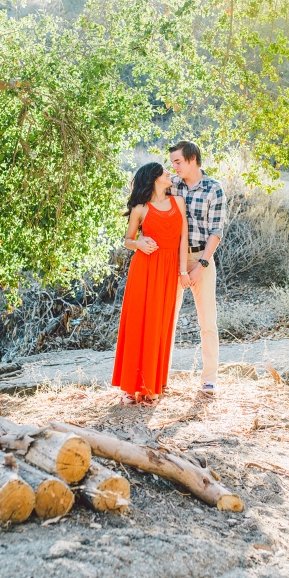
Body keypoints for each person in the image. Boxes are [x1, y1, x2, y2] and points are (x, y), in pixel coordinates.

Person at [111, 162, 190, 405]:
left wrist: (183, 270)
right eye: (165, 172)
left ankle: (151, 385)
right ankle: (130, 387)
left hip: (168, 269)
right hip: (145, 268)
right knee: (138, 322)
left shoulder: (178, 202)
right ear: (155, 178)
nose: (170, 174)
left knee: (160, 325)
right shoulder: (140, 208)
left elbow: (183, 238)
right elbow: (127, 240)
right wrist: (139, 244)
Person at [167, 141, 225, 396]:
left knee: (207, 321)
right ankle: (161, 378)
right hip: (172, 261)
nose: (174, 167)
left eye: (178, 162)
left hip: (202, 258)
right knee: (167, 320)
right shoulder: (171, 185)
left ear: (192, 159)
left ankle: (209, 379)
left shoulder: (214, 189)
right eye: (172, 163)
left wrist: (200, 265)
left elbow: (216, 231)